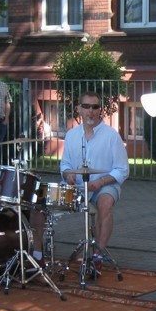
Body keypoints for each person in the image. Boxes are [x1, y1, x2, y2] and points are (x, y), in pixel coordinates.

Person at [48, 91, 129, 267]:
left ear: (100, 110)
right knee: (39, 202)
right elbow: (65, 165)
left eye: (95, 107)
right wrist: (67, 174)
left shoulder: (111, 135)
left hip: (104, 186)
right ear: (79, 109)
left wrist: (100, 182)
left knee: (106, 203)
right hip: (77, 187)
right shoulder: (72, 135)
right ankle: (38, 254)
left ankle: (98, 255)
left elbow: (122, 170)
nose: (90, 111)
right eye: (86, 106)